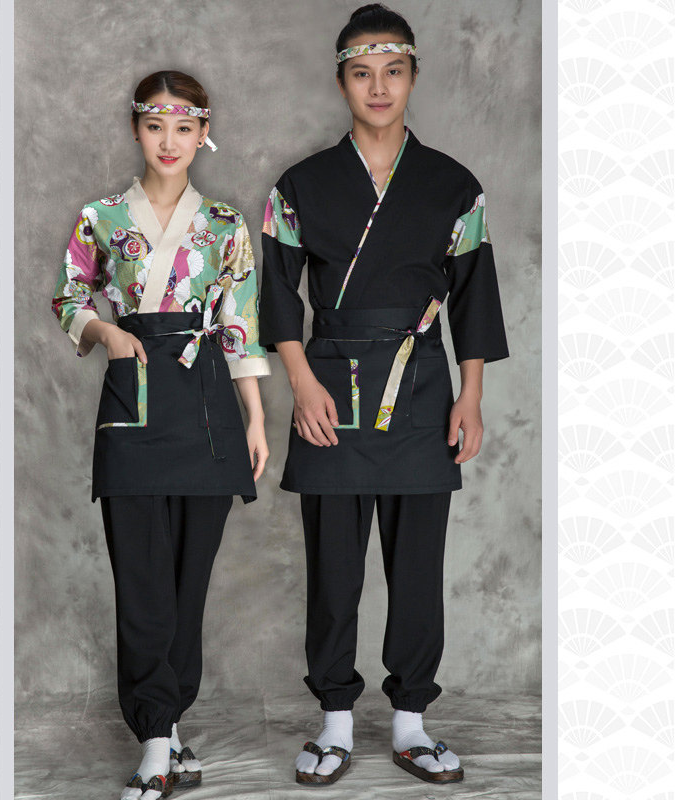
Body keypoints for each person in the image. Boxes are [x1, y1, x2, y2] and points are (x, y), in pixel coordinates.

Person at [259, 3, 509, 787]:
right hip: (329, 386)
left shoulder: (453, 185)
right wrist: (301, 383)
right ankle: (335, 721)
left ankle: (411, 722)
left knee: (418, 567)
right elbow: (276, 293)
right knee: (334, 568)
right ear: (341, 82)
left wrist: (470, 395)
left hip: (424, 387)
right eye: (362, 73)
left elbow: (474, 295)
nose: (378, 87)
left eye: (392, 72)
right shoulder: (299, 185)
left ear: (413, 77)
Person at [51, 70, 270, 800]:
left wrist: (256, 418)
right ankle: (154, 738)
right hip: (134, 398)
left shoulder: (226, 224)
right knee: (141, 582)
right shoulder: (101, 217)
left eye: (184, 127)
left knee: (186, 583)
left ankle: (169, 725)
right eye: (155, 126)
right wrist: (104, 332)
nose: (169, 141)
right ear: (136, 129)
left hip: (208, 407)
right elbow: (69, 296)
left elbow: (240, 324)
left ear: (204, 132)